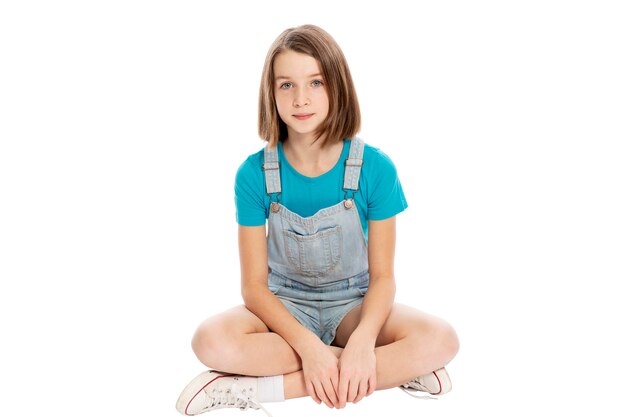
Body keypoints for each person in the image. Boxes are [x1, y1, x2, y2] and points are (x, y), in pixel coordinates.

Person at [175, 24, 459, 416]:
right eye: (286, 85)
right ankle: (388, 369)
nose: (301, 99)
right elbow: (254, 288)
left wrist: (362, 341)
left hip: (353, 304)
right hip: (284, 306)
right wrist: (309, 347)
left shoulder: (375, 168)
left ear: (337, 87)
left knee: (440, 339)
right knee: (210, 341)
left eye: (316, 83)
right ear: (270, 94)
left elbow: (383, 279)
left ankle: (255, 390)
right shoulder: (253, 174)